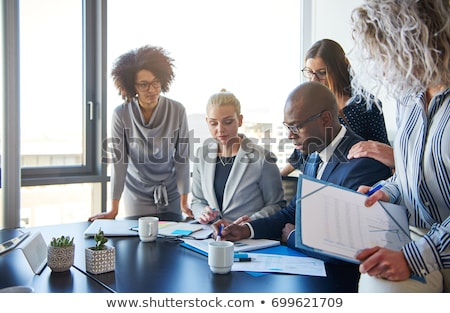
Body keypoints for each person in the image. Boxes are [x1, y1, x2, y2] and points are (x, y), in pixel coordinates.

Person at [213, 82, 392, 264]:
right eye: (287, 127)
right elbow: (293, 212)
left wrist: (292, 237)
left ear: (325, 119)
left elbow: (350, 247)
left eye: (296, 127)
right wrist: (246, 229)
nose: (290, 135)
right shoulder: (313, 154)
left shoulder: (363, 164)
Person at [349, 0, 449, 293]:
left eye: (387, 53)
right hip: (415, 234)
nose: (382, 69)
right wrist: (388, 191)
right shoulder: (410, 95)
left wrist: (413, 257)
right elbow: (414, 171)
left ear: (419, 39)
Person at [89, 45, 192, 222]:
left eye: (156, 82)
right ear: (132, 86)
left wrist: (184, 203)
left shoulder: (177, 110)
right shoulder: (121, 114)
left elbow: (182, 158)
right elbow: (119, 162)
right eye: (143, 84)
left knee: (170, 244)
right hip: (137, 194)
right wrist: (113, 209)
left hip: (170, 194)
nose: (151, 89)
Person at [280, 39, 393, 177]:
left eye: (322, 73)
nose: (314, 80)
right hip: (321, 176)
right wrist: (280, 176)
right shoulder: (313, 106)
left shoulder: (366, 105)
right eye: (309, 72)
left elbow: (382, 150)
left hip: (355, 178)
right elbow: (302, 148)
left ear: (338, 70)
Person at [191, 89, 285, 224]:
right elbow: (197, 201)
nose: (220, 129)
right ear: (207, 122)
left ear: (240, 120)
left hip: (247, 239)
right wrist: (203, 213)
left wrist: (245, 225)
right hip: (210, 238)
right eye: (213, 123)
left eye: (227, 122)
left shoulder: (263, 159)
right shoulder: (202, 155)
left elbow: (276, 206)